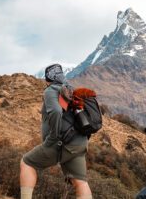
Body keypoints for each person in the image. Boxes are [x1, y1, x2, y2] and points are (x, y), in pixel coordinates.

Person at [20, 64, 92, 199]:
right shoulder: (70, 90)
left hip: (60, 143)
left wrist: (53, 137)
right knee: (80, 182)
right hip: (78, 143)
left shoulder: (51, 90)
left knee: (27, 163)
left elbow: (56, 111)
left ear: (48, 79)